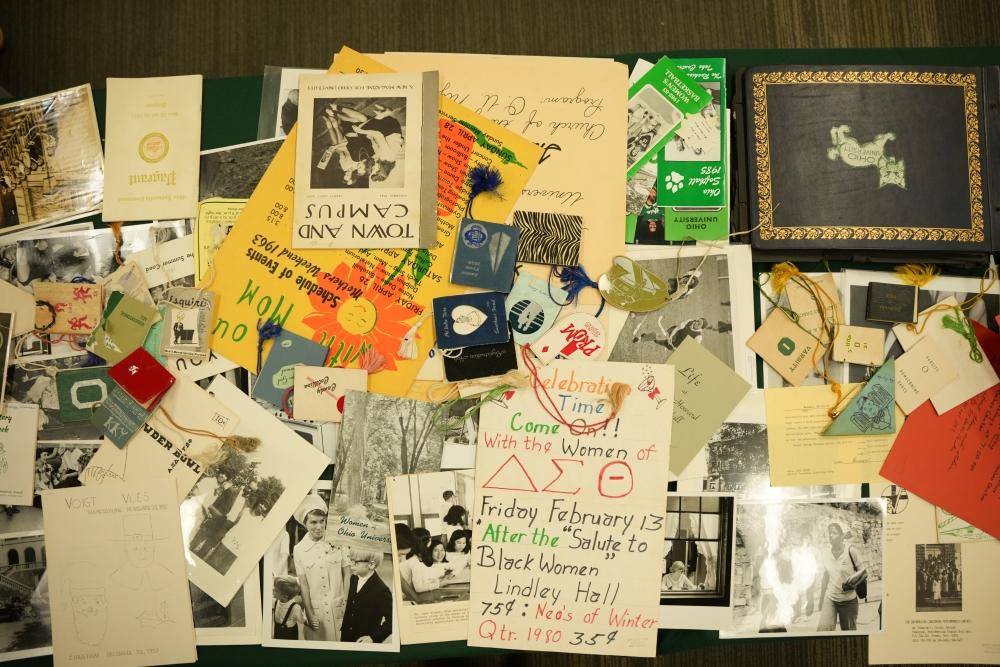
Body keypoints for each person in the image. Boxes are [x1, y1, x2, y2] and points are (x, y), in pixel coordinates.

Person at [292, 495, 349, 642]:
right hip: (317, 612)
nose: (319, 527)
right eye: (313, 522)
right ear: (305, 524)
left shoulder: (338, 539)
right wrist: (309, 613)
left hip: (339, 607)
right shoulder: (299, 550)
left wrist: (346, 603)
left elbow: (347, 574)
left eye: (322, 521)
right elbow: (303, 585)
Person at [817, 522, 867, 631]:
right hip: (830, 598)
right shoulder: (825, 554)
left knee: (848, 633)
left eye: (834, 533)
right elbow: (825, 577)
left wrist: (854, 585)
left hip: (848, 600)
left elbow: (864, 573)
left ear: (841, 535)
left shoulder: (851, 551)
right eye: (829, 533)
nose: (830, 535)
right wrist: (821, 599)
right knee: (823, 631)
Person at [341, 548, 392, 643]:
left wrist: (373, 638)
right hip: (347, 636)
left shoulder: (381, 590)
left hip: (364, 640)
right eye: (350, 560)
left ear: (371, 564)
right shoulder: (353, 579)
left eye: (355, 562)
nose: (351, 564)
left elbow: (392, 621)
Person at [189, 472, 240, 559]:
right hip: (202, 510)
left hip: (213, 515)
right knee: (197, 533)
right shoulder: (211, 482)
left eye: (226, 476)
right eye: (222, 473)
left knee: (200, 534)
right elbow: (196, 493)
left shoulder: (226, 489)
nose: (223, 476)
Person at [272, 575, 304, 640]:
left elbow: (302, 620)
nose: (272, 590)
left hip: (289, 633)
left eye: (276, 590)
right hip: (277, 630)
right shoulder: (275, 601)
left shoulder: (295, 608)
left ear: (285, 596)